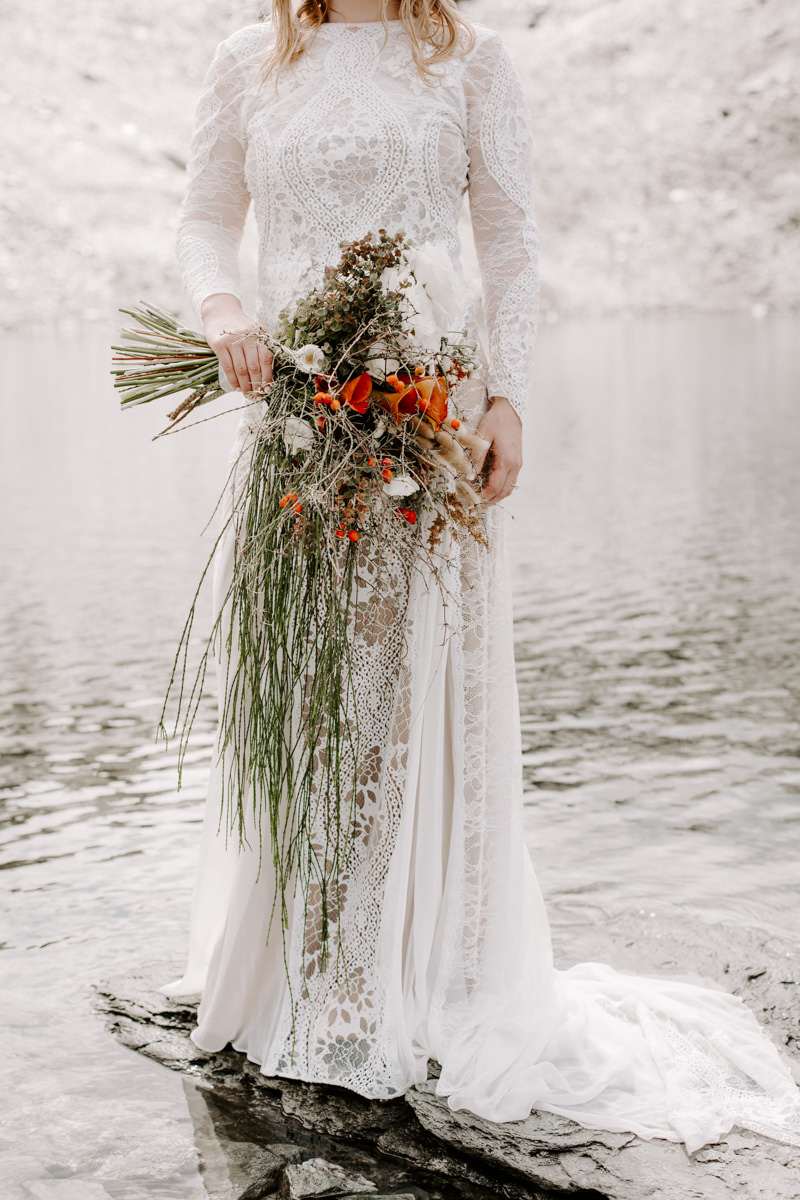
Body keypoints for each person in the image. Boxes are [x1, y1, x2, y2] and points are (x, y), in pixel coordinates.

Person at [161, 0, 800, 1152]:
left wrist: (506, 396)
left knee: (406, 685)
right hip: (299, 421)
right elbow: (205, 218)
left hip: (428, 415)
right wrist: (222, 310)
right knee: (304, 685)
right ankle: (299, 964)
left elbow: (507, 241)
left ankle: (397, 974)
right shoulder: (247, 60)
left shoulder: (470, 59)